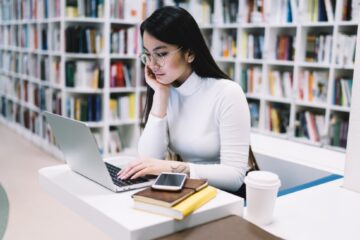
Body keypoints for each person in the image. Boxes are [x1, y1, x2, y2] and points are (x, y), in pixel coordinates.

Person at [118, 6, 255, 194]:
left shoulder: (227, 93)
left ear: (189, 53)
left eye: (161, 54)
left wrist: (170, 168)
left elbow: (234, 177)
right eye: (148, 55)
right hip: (189, 188)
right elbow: (148, 160)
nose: (152, 64)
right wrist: (160, 95)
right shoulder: (167, 89)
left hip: (228, 195)